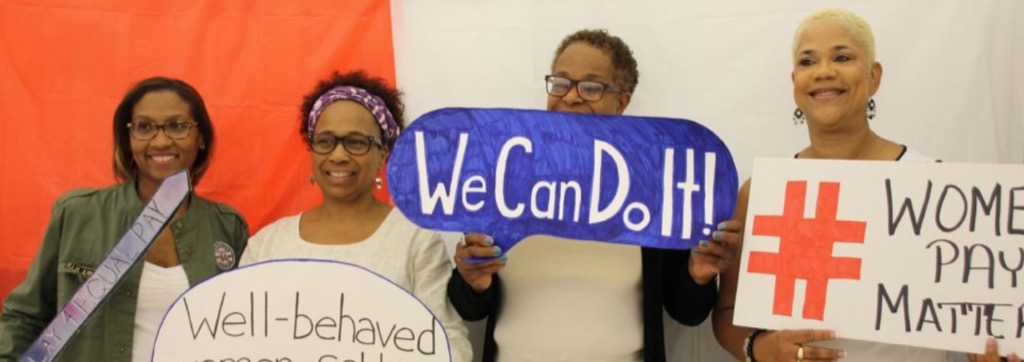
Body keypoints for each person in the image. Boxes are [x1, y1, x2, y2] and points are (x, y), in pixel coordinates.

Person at [711, 8, 1021, 362]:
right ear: (794, 80)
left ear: (874, 76)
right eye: (808, 62)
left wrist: (991, 352)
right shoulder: (762, 193)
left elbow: (976, 320)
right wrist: (759, 348)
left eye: (842, 57)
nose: (824, 71)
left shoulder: (935, 187)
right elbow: (728, 313)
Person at [447, 29, 741, 362]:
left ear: (623, 101)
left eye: (591, 87)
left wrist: (698, 274)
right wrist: (474, 281)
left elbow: (687, 313)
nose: (570, 97)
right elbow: (468, 309)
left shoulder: (654, 192)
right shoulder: (503, 181)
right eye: (560, 83)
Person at [0, 77, 250, 361]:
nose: (161, 140)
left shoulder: (227, 227)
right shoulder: (79, 214)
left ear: (201, 137)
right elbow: (24, 318)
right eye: (144, 127)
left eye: (177, 126)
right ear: (128, 139)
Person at [238, 70, 472, 361]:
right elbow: (239, 339)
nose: (338, 155)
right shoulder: (267, 245)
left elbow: (448, 341)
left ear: (383, 154)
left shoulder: (415, 240)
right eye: (325, 141)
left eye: (357, 142)